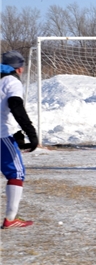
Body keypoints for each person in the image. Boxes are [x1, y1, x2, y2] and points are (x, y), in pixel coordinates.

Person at [1, 50, 39, 228]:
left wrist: (17, 133)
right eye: (21, 66)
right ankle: (10, 219)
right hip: (1, 136)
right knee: (16, 173)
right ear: (17, 69)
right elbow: (15, 106)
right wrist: (31, 132)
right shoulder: (12, 83)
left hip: (5, 132)